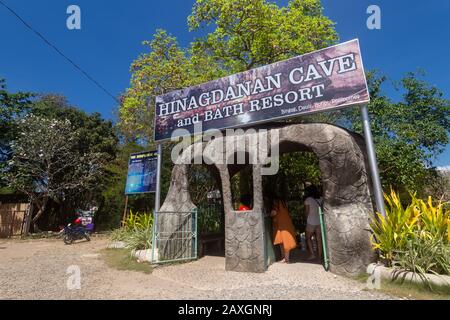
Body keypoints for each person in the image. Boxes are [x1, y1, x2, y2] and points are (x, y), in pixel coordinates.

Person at [270, 197, 297, 263]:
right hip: (286, 224)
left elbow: (273, 213)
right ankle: (284, 258)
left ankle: (286, 259)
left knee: (285, 241)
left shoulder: (276, 204)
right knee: (282, 241)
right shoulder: (284, 203)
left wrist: (270, 214)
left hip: (282, 225)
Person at [303, 185, 323, 261]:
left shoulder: (308, 200)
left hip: (311, 222)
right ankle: (319, 256)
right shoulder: (321, 199)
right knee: (319, 239)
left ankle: (312, 254)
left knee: (308, 238)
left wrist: (305, 219)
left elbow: (307, 212)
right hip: (319, 221)